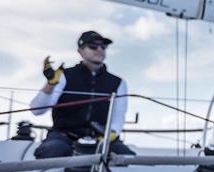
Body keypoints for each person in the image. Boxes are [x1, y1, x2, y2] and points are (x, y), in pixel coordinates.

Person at [30, 31, 135, 159]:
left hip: (101, 138)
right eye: (93, 46)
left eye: (103, 47)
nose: (99, 50)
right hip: (64, 136)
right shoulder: (62, 76)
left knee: (128, 158)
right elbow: (37, 110)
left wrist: (110, 135)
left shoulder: (118, 83)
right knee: (51, 151)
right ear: (80, 51)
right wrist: (51, 84)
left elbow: (118, 117)